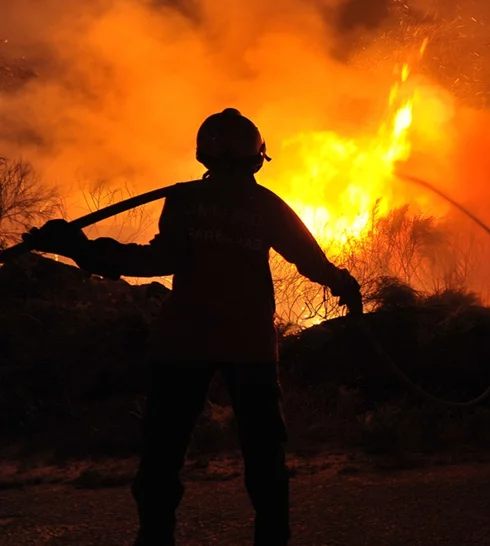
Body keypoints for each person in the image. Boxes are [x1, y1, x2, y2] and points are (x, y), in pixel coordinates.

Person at [20, 108, 362, 546]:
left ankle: (154, 538)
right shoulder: (266, 206)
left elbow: (155, 260)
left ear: (203, 156)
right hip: (249, 344)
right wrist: (343, 284)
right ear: (258, 159)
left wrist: (79, 248)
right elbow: (310, 259)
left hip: (184, 342)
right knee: (264, 454)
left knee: (162, 452)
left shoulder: (186, 200)